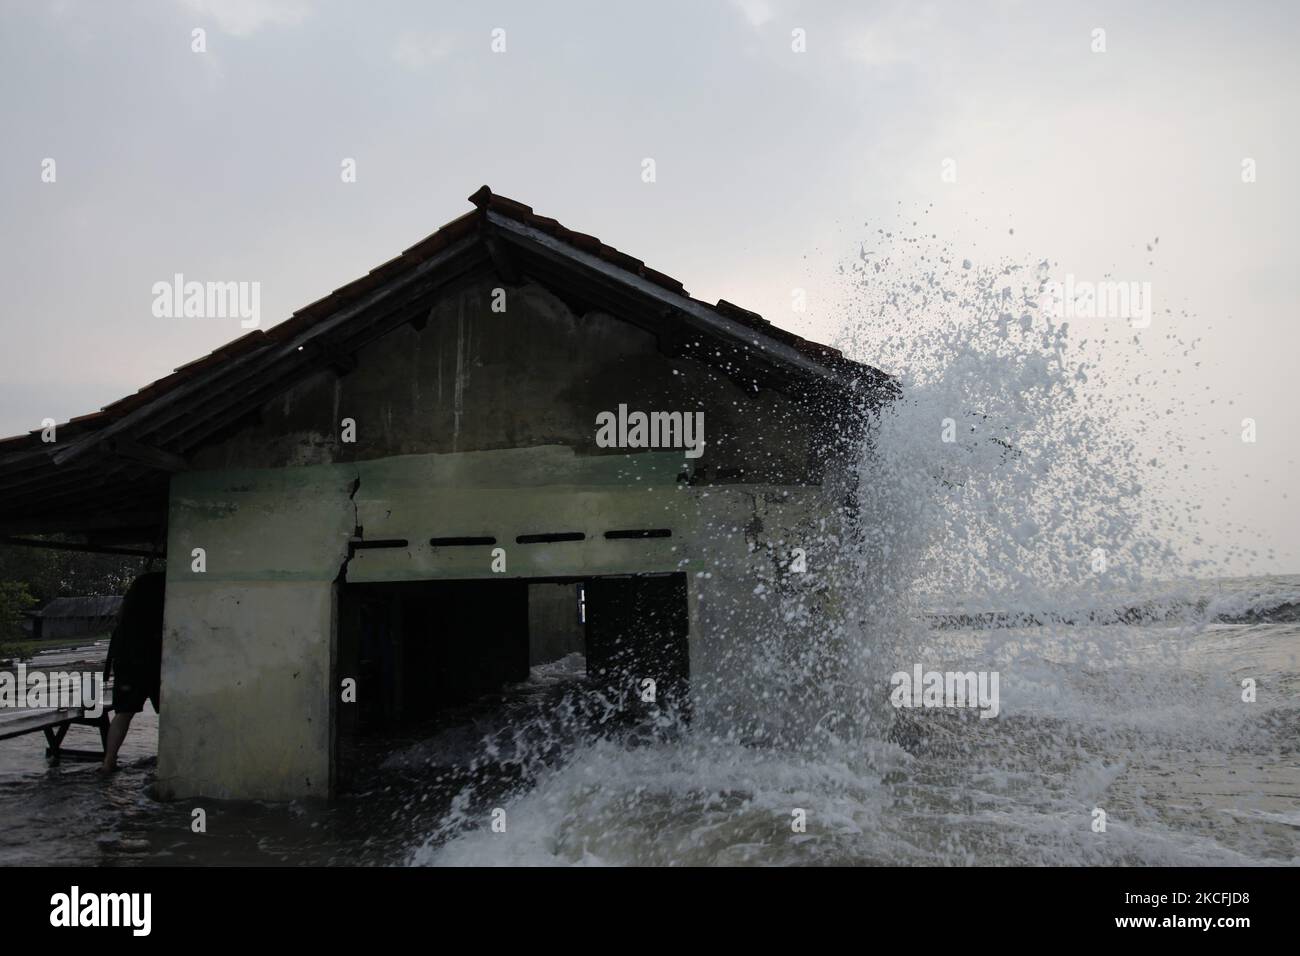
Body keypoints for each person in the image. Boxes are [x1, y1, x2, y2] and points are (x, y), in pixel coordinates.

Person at [101, 571, 165, 772]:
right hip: (153, 664)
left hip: (127, 665)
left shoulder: (126, 617)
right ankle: (169, 756)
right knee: (168, 713)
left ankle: (109, 760)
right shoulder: (160, 604)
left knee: (123, 713)